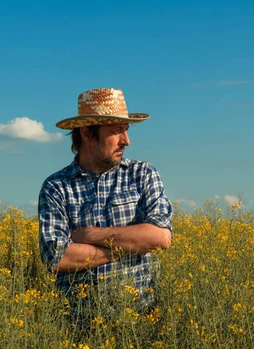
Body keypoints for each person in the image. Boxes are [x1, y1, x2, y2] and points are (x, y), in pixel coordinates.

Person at [38, 88, 173, 326]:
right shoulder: (57, 187)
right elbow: (57, 258)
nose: (127, 141)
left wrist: (88, 235)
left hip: (140, 322)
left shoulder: (142, 174)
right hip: (77, 328)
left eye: (126, 130)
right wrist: (132, 246)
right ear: (87, 134)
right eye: (116, 131)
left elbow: (160, 237)